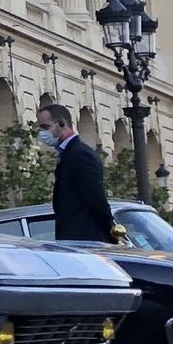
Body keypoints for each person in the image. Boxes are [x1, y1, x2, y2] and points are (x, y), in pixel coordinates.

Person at [36, 102, 116, 242]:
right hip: (75, 239)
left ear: (62, 123)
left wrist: (111, 233)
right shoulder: (70, 153)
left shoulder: (80, 155)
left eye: (45, 127)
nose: (42, 134)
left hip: (85, 240)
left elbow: (96, 199)